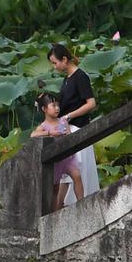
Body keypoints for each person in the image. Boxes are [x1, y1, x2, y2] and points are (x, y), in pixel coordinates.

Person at [48, 43, 99, 197]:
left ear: (64, 59)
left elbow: (91, 103)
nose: (54, 67)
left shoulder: (81, 77)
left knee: (76, 172)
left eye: (55, 63)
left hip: (78, 128)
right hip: (66, 128)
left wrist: (69, 116)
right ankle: (60, 206)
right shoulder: (67, 79)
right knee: (66, 173)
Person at [31, 91, 85, 210]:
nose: (57, 108)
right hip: (56, 161)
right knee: (55, 189)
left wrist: (67, 134)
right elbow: (33, 135)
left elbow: (67, 135)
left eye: (58, 105)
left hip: (67, 158)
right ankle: (54, 212)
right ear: (44, 109)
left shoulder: (62, 121)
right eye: (53, 106)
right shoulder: (44, 126)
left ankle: (82, 204)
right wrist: (50, 133)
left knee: (77, 176)